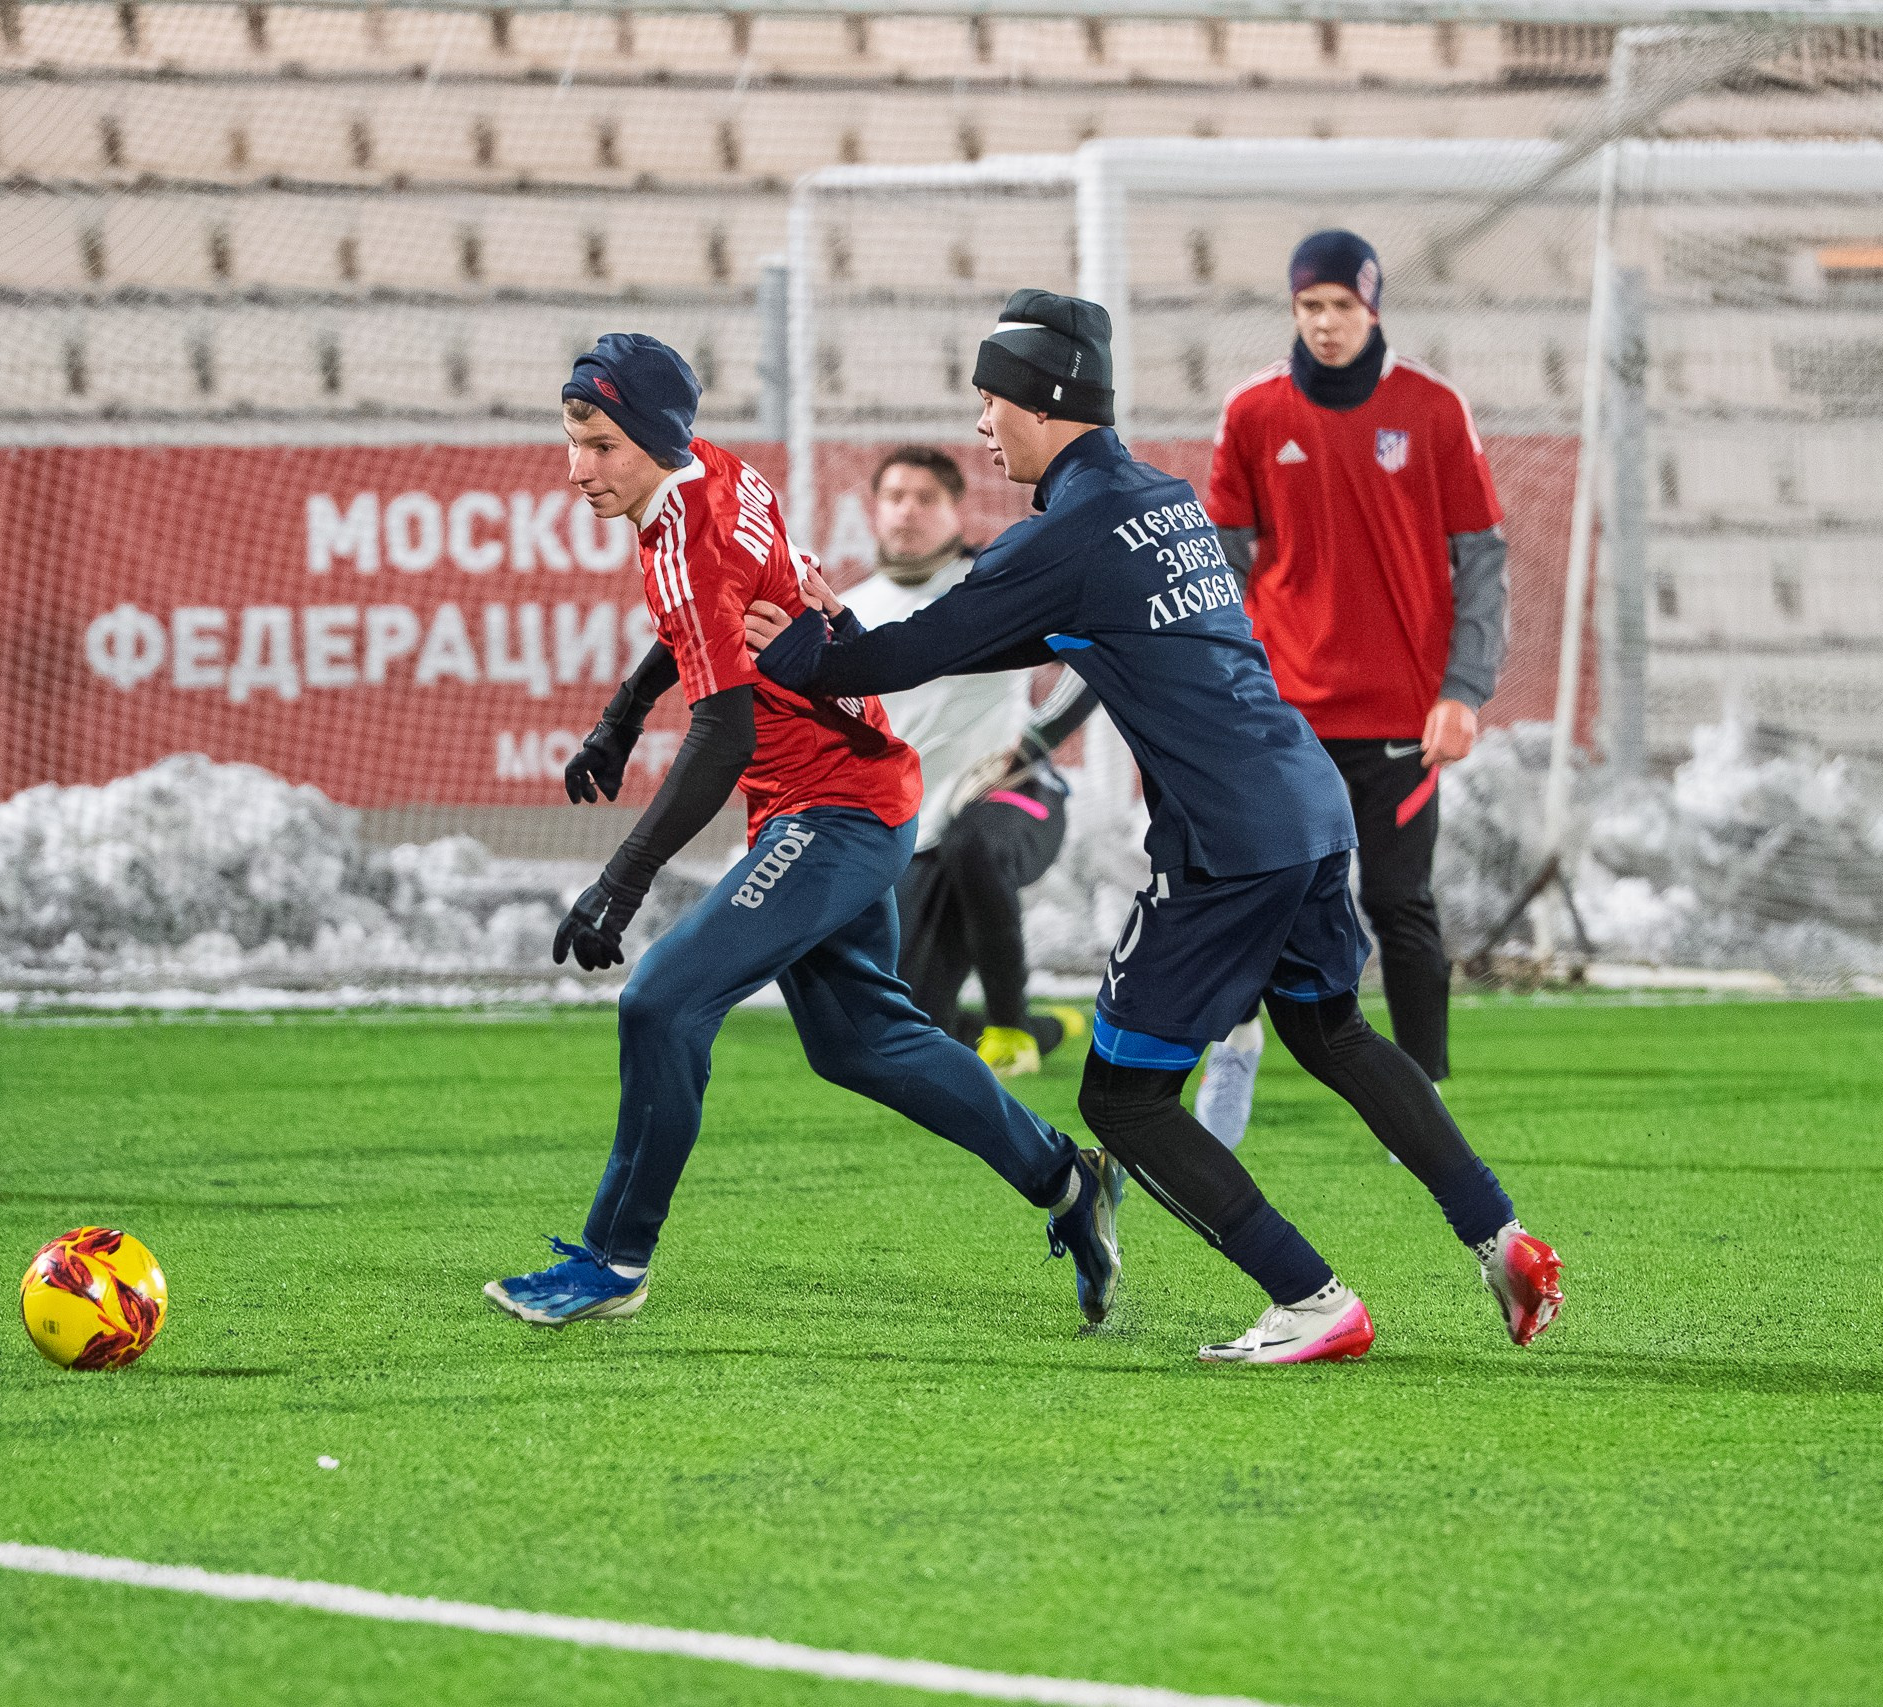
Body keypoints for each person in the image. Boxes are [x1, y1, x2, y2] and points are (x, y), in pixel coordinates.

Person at [746, 289, 1561, 1365]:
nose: (982, 426)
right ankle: (1500, 1237)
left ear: (1041, 402)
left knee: (1121, 1099)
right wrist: (842, 628)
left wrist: (798, 647)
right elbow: (989, 628)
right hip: (1305, 804)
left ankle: (1310, 1299)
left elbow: (917, 648)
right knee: (1332, 1034)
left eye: (989, 402)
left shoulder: (1067, 531)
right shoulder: (1155, 498)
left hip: (1225, 842)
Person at [481, 332, 1121, 1329]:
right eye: (570, 440)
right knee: (863, 1042)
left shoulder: (690, 527)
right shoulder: (710, 477)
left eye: (600, 445)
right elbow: (695, 621)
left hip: (837, 808)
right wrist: (616, 721)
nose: (578, 469)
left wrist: (623, 878)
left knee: (661, 1000)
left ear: (650, 439)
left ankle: (613, 1261)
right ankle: (1067, 1182)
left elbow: (723, 732)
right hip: (853, 795)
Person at [1192, 230, 1510, 1151]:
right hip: (1285, 712)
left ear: (1372, 308)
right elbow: (1223, 563)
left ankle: (1428, 1096)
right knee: (1258, 889)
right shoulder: (1253, 411)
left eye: (1341, 305)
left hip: (1404, 718)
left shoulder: (1433, 407)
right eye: (1309, 306)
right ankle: (1235, 1045)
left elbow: (1482, 560)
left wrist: (1466, 688)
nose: (1325, 323)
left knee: (1400, 904)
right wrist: (1222, 689)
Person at [845, 445, 1099, 1076]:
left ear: (956, 511)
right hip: (913, 833)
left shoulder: (992, 586)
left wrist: (1033, 744)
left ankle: (1011, 1026)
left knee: (973, 842)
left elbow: (1097, 650)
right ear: (873, 511)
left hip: (1015, 795)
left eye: (926, 498)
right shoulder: (847, 611)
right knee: (890, 1032)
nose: (908, 511)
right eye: (894, 497)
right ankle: (1036, 1029)